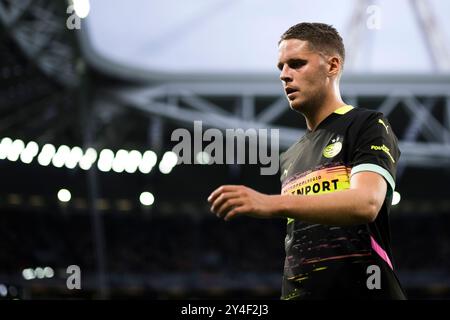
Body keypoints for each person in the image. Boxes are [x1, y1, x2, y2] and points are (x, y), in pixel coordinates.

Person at [208, 22, 406, 300]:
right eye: (281, 68)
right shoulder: (291, 156)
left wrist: (270, 203)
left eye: (297, 64)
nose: (285, 76)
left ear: (333, 66)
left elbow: (366, 203)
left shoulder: (367, 124)